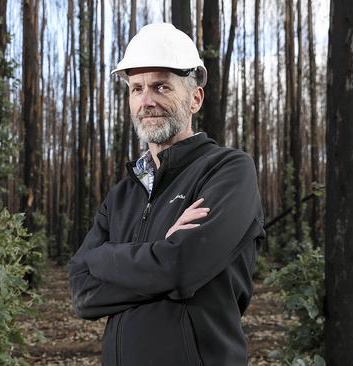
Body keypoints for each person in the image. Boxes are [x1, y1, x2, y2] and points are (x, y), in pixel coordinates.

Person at [68, 22, 264, 366]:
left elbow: (181, 267)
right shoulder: (123, 193)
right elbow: (82, 293)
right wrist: (159, 254)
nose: (147, 101)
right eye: (137, 88)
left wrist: (102, 257)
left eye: (161, 86)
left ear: (195, 98)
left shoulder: (227, 171)